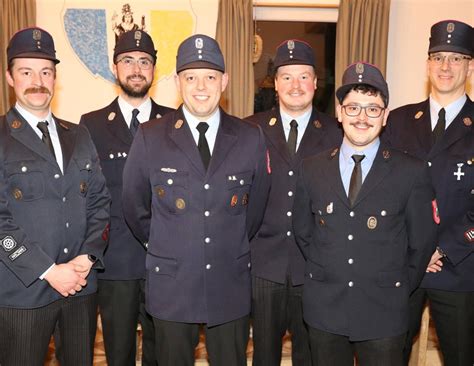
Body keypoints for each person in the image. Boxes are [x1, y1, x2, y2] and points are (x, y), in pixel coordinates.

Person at [122, 34, 271, 366]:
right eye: (191, 77)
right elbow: (135, 206)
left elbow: (256, 208)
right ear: (177, 82)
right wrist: (167, 242)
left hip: (228, 282)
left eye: (210, 76)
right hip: (172, 283)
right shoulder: (151, 136)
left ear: (225, 81)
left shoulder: (249, 137)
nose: (200, 86)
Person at [292, 62, 438, 365]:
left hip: (384, 313)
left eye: (372, 109)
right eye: (353, 107)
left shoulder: (410, 172)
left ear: (385, 116)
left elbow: (422, 242)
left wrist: (391, 286)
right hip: (325, 312)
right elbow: (304, 233)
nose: (361, 117)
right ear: (339, 112)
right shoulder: (311, 168)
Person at [0, 27, 110, 366]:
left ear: (55, 77)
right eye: (26, 71)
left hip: (80, 288)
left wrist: (87, 257)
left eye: (46, 71)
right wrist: (48, 270)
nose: (38, 80)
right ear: (9, 77)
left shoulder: (78, 135)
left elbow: (100, 203)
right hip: (24, 292)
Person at [245, 39, 341, 366]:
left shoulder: (336, 133)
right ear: (275, 84)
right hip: (263, 265)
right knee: (264, 357)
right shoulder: (250, 130)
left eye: (303, 76)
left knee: (310, 355)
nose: (295, 85)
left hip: (313, 267)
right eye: (286, 76)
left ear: (316, 83)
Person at [80, 30, 173, 366]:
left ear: (154, 69)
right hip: (115, 262)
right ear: (115, 68)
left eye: (144, 61)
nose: (137, 68)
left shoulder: (174, 122)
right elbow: (88, 196)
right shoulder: (89, 125)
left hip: (165, 263)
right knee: (117, 354)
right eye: (128, 61)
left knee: (161, 354)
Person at [383, 19, 473, 365]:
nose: (445, 66)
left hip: (461, 266)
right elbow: (384, 190)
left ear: (470, 66)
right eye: (438, 57)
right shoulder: (399, 121)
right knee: (389, 354)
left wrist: (445, 248)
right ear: (428, 64)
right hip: (403, 264)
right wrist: (417, 248)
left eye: (455, 57)